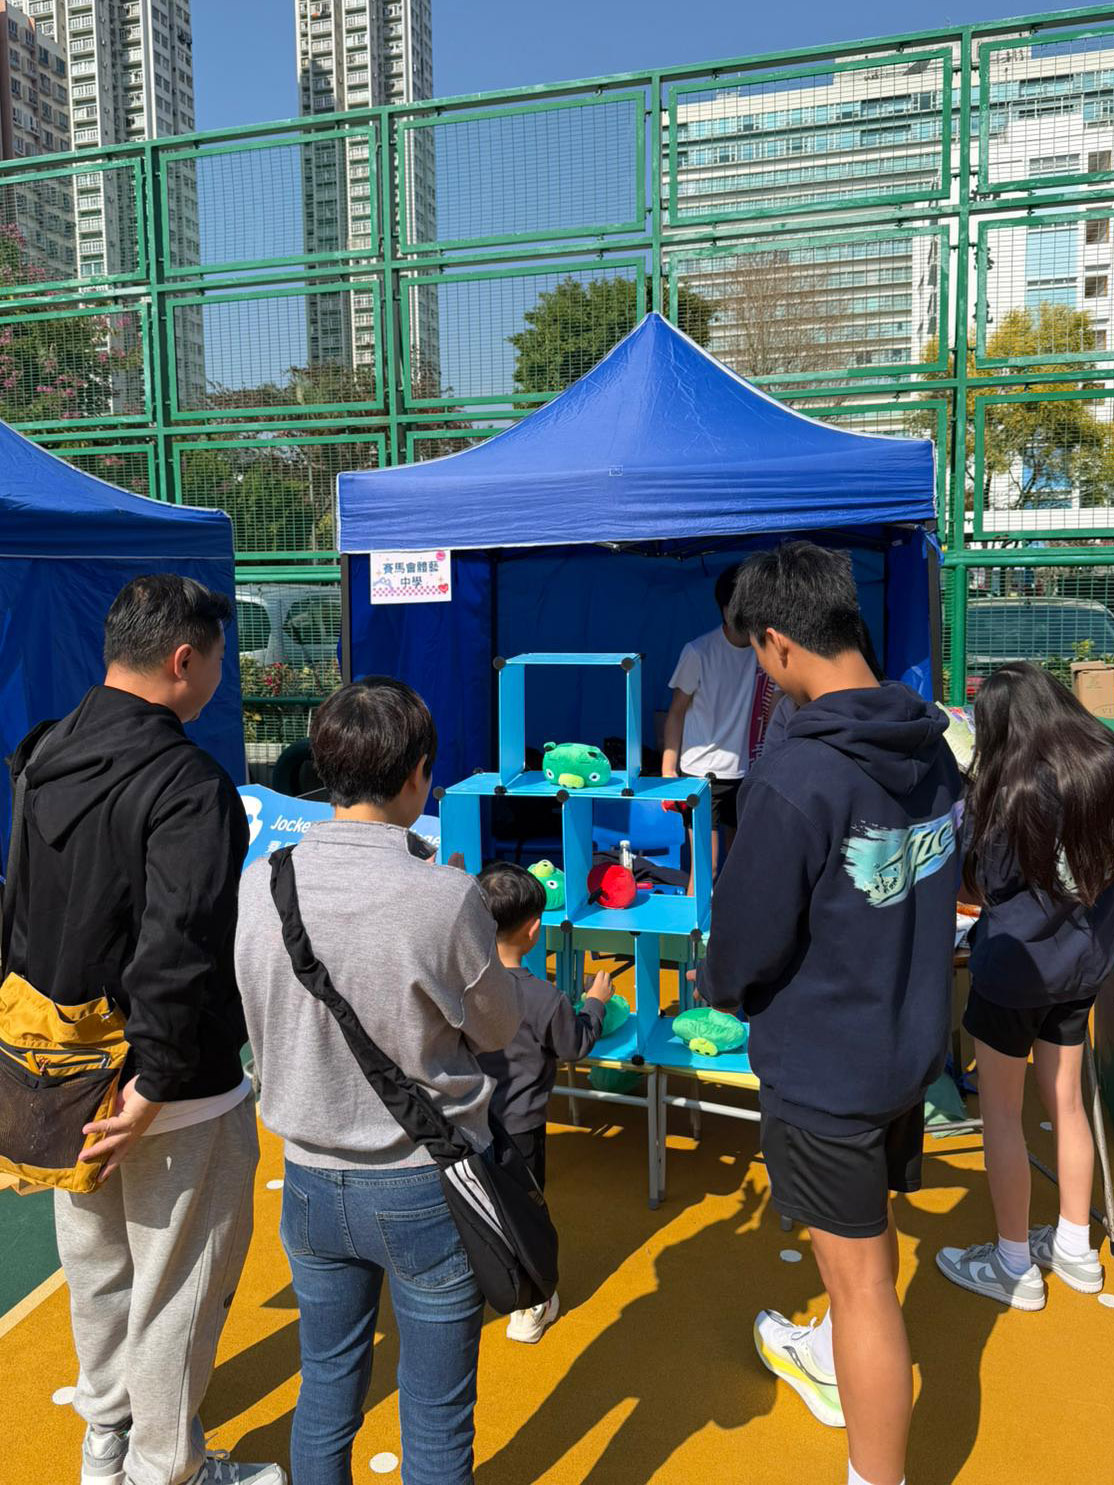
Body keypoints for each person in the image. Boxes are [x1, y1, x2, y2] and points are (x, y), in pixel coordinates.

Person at [3, 575, 278, 1485]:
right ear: (184, 659)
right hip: (172, 1085)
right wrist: (154, 1082)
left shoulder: (44, 752)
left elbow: (21, 916)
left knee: (98, 1270)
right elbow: (179, 945)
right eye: (219, 659)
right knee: (179, 1284)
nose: (220, 677)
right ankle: (169, 1468)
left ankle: (107, 1443)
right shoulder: (189, 785)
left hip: (58, 1067)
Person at [700, 542, 962, 1485]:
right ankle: (825, 1351)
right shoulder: (931, 744)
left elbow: (742, 944)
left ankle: (874, 1472)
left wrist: (720, 988)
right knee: (858, 1247)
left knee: (863, 1289)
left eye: (757, 654)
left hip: (829, 1069)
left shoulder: (796, 776)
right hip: (904, 1045)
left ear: (777, 643)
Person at [235, 677, 522, 1485]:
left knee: (326, 1388)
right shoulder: (444, 895)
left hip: (305, 1174)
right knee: (435, 1417)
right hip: (423, 1181)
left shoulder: (262, 881)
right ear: (417, 774)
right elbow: (497, 1028)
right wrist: (463, 918)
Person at [937, 662, 1114, 1308]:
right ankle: (1075, 1247)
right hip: (1083, 964)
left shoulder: (1008, 790)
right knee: (1067, 1103)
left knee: (1002, 1116)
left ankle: (1013, 1262)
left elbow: (977, 885)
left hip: (1013, 972)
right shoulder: (1101, 770)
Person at [474, 861, 614, 1344]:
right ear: (534, 930)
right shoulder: (544, 997)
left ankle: (489, 1283)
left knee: (483, 1204)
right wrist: (595, 1001)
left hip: (470, 1118)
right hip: (521, 1125)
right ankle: (533, 1303)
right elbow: (574, 1044)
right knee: (527, 1213)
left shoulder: (463, 982)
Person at [663, 564, 758, 882]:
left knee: (742, 870)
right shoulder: (698, 651)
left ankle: (737, 917)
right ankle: (695, 918)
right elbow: (676, 712)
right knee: (707, 870)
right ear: (726, 609)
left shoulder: (767, 651)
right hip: (702, 776)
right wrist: (668, 772)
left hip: (748, 774)